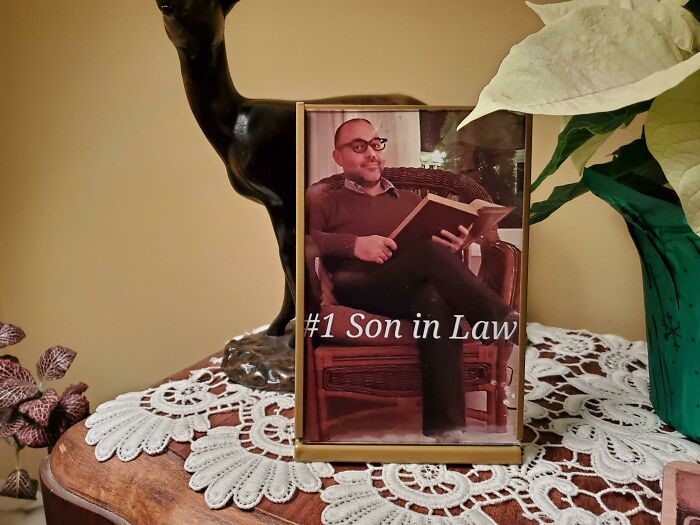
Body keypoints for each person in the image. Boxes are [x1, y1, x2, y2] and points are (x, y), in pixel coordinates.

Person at [306, 118, 519, 441]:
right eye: (359, 146)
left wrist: (456, 244)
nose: (372, 153)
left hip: (407, 288)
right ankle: (501, 322)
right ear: (338, 156)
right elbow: (300, 240)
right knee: (428, 258)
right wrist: (355, 245)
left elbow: (430, 247)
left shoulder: (409, 199)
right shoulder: (325, 200)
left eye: (376, 144)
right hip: (359, 288)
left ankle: (446, 428)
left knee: (432, 296)